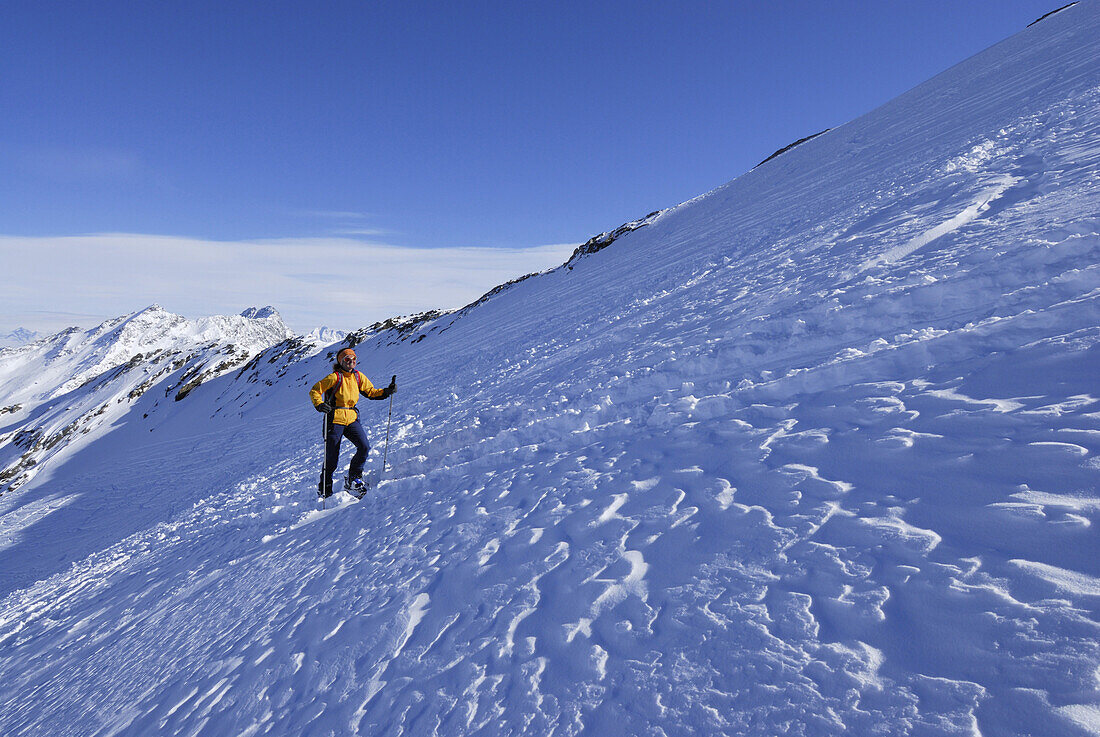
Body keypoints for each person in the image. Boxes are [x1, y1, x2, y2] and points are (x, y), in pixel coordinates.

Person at [309, 347, 395, 497]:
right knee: (331, 458)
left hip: (351, 418)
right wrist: (319, 404)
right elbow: (315, 390)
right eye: (347, 360)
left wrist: (386, 391)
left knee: (364, 447)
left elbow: (371, 392)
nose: (351, 362)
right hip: (334, 419)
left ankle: (354, 478)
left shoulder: (358, 376)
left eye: (353, 359)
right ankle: (325, 488)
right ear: (341, 362)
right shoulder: (335, 377)